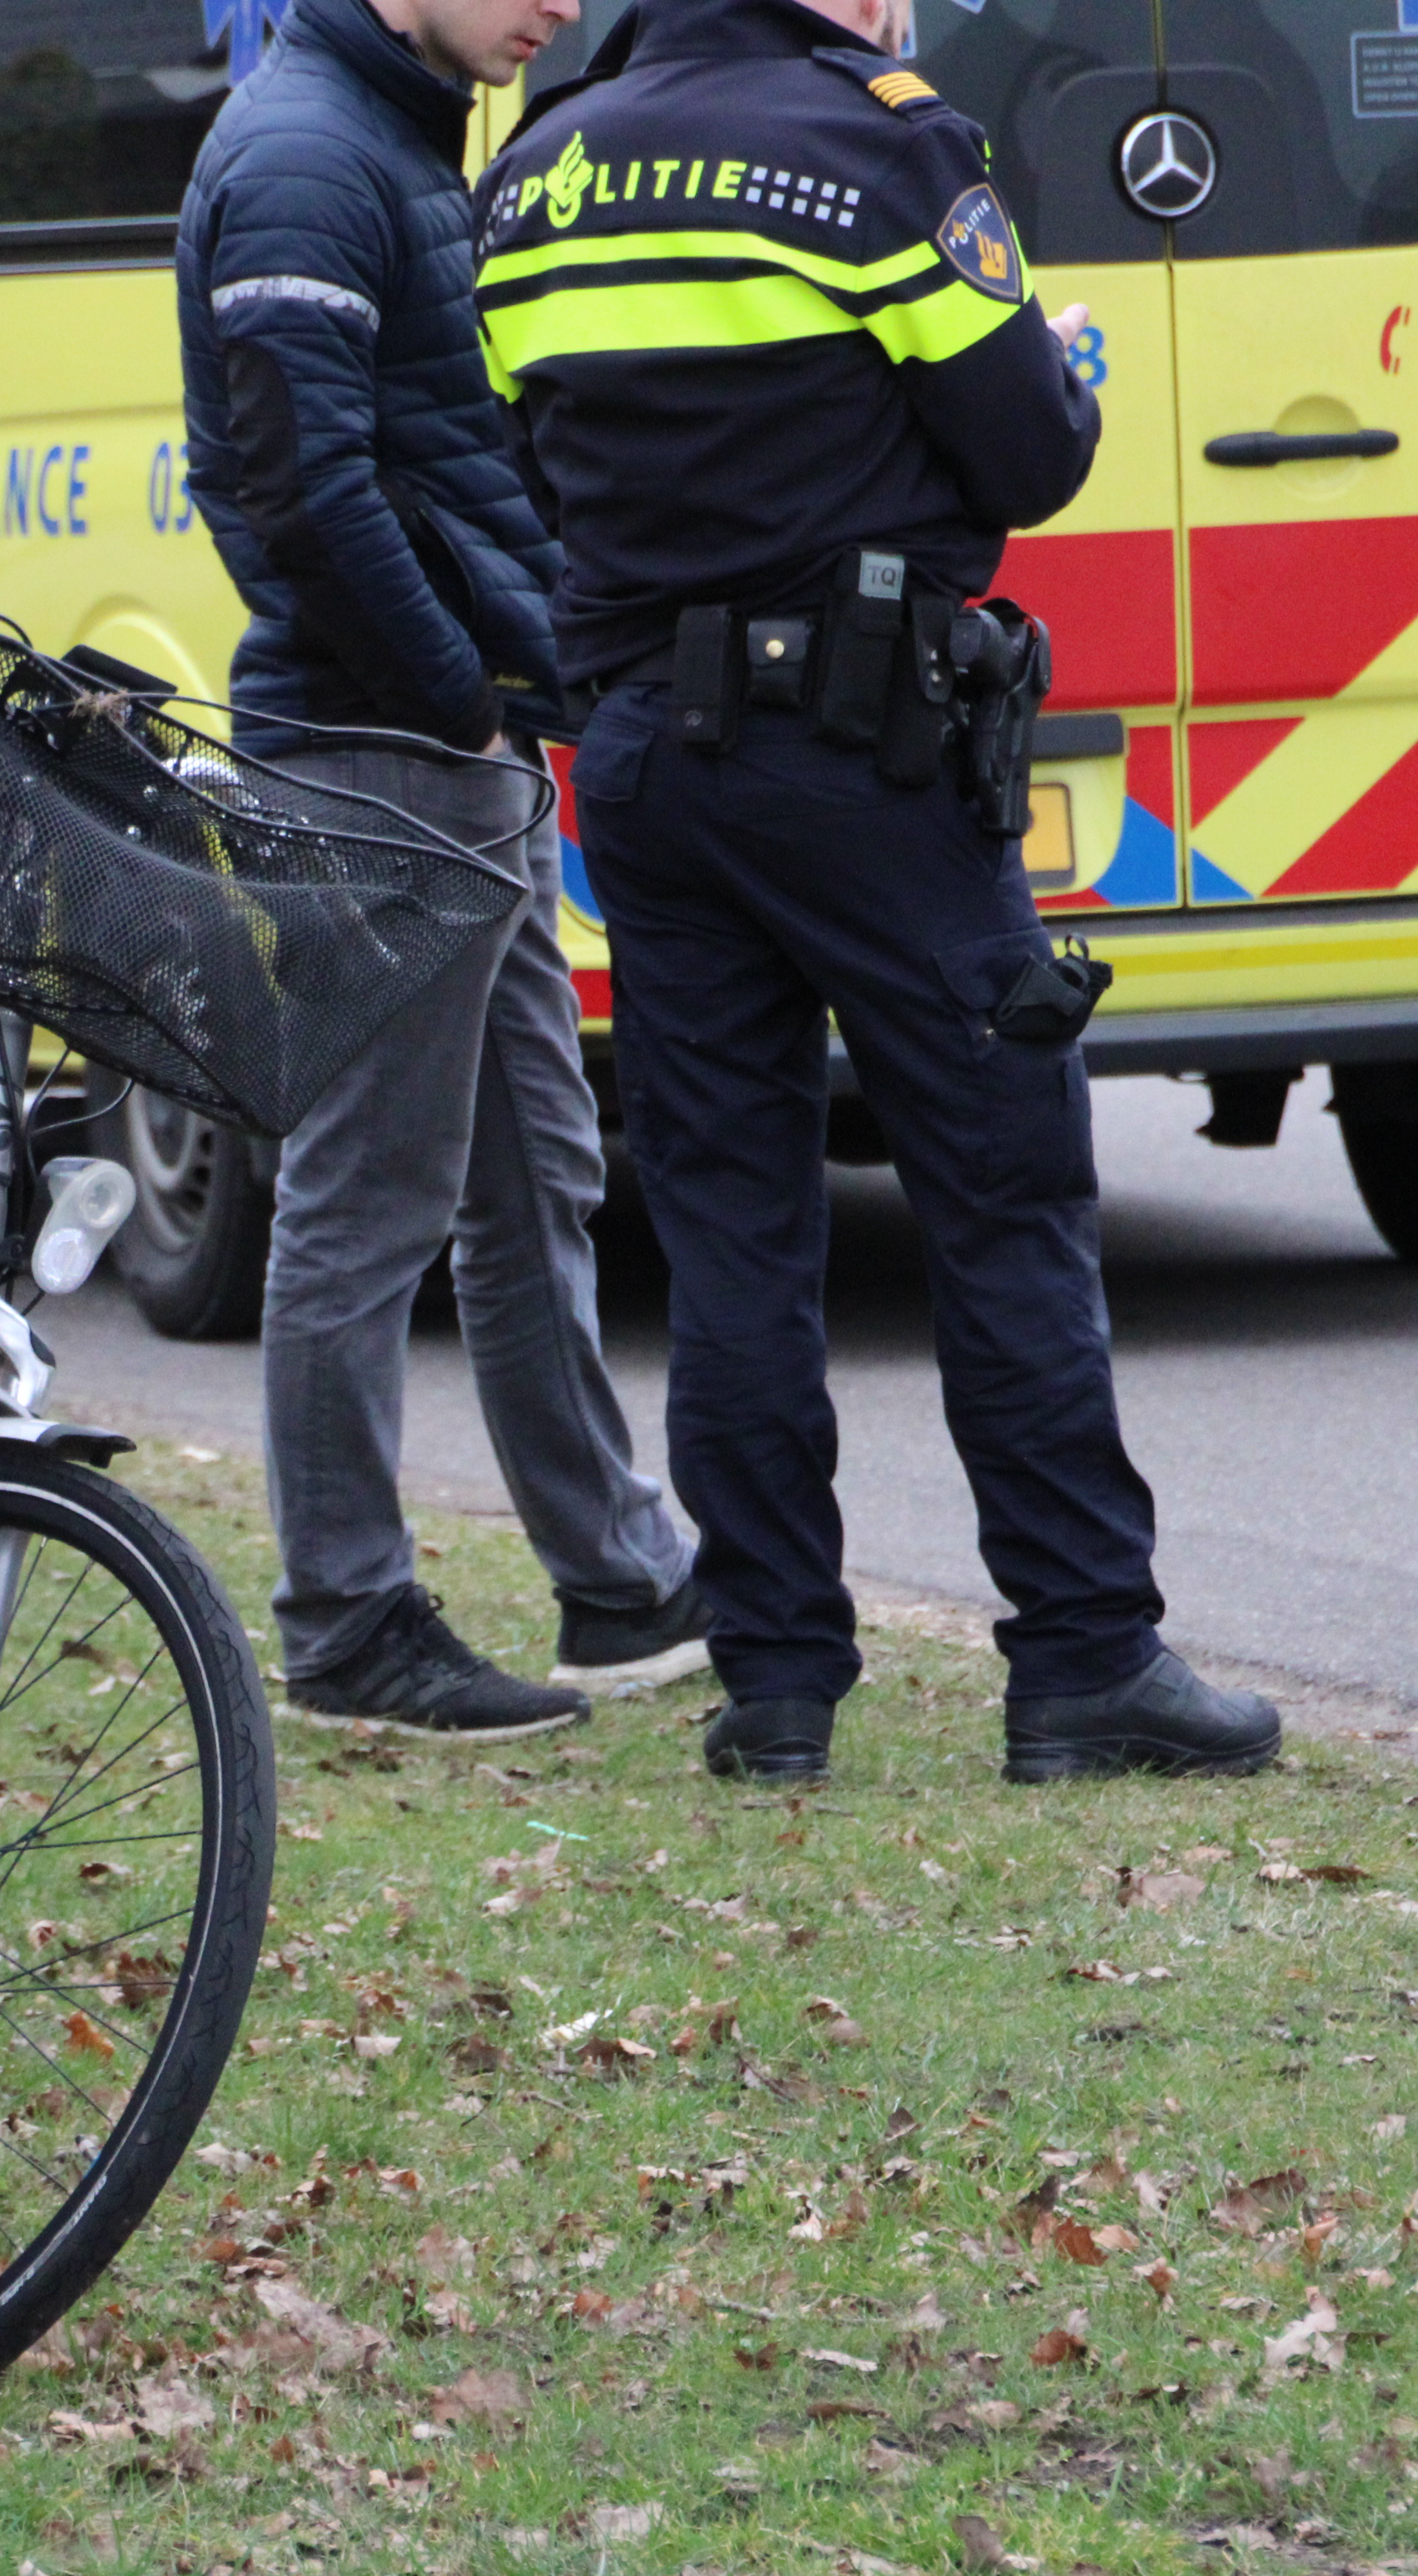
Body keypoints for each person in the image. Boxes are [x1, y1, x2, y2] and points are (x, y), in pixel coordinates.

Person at [473, 0, 1280, 1786]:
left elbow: (534, 462)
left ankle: (772, 1689)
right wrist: (1061, 363)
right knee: (1002, 1191)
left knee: (733, 1230)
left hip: (649, 764)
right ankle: (1084, 1656)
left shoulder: (541, 173)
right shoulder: (882, 143)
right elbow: (1030, 453)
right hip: (870, 758)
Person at [176, 0, 709, 1739]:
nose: (560, 8)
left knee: (534, 1168)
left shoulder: (391, 129)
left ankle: (617, 1580)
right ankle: (345, 1622)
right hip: (384, 753)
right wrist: (463, 708)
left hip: (438, 752)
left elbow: (416, 455)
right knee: (367, 1198)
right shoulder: (308, 154)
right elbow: (304, 487)